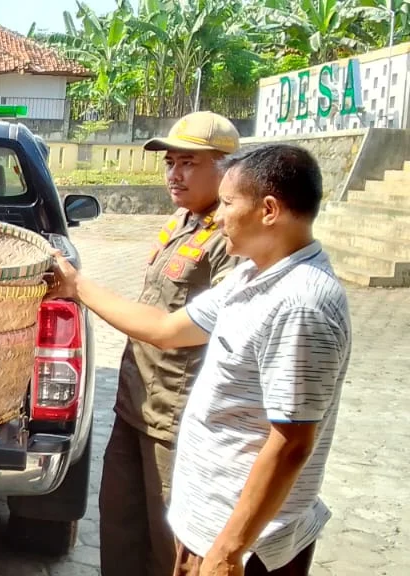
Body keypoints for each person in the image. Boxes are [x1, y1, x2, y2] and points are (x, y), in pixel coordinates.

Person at [47, 143, 351, 576]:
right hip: (210, 526)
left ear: (268, 210)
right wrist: (76, 286)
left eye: (228, 203)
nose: (220, 216)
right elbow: (166, 329)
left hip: (248, 548)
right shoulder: (252, 275)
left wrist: (230, 550)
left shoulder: (302, 303)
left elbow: (291, 444)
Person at [99, 111, 241, 576]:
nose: (174, 174)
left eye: (188, 163)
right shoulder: (183, 221)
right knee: (121, 529)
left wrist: (79, 287)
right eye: (170, 163)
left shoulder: (230, 238)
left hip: (177, 421)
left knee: (171, 546)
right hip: (135, 405)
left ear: (226, 169)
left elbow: (200, 328)